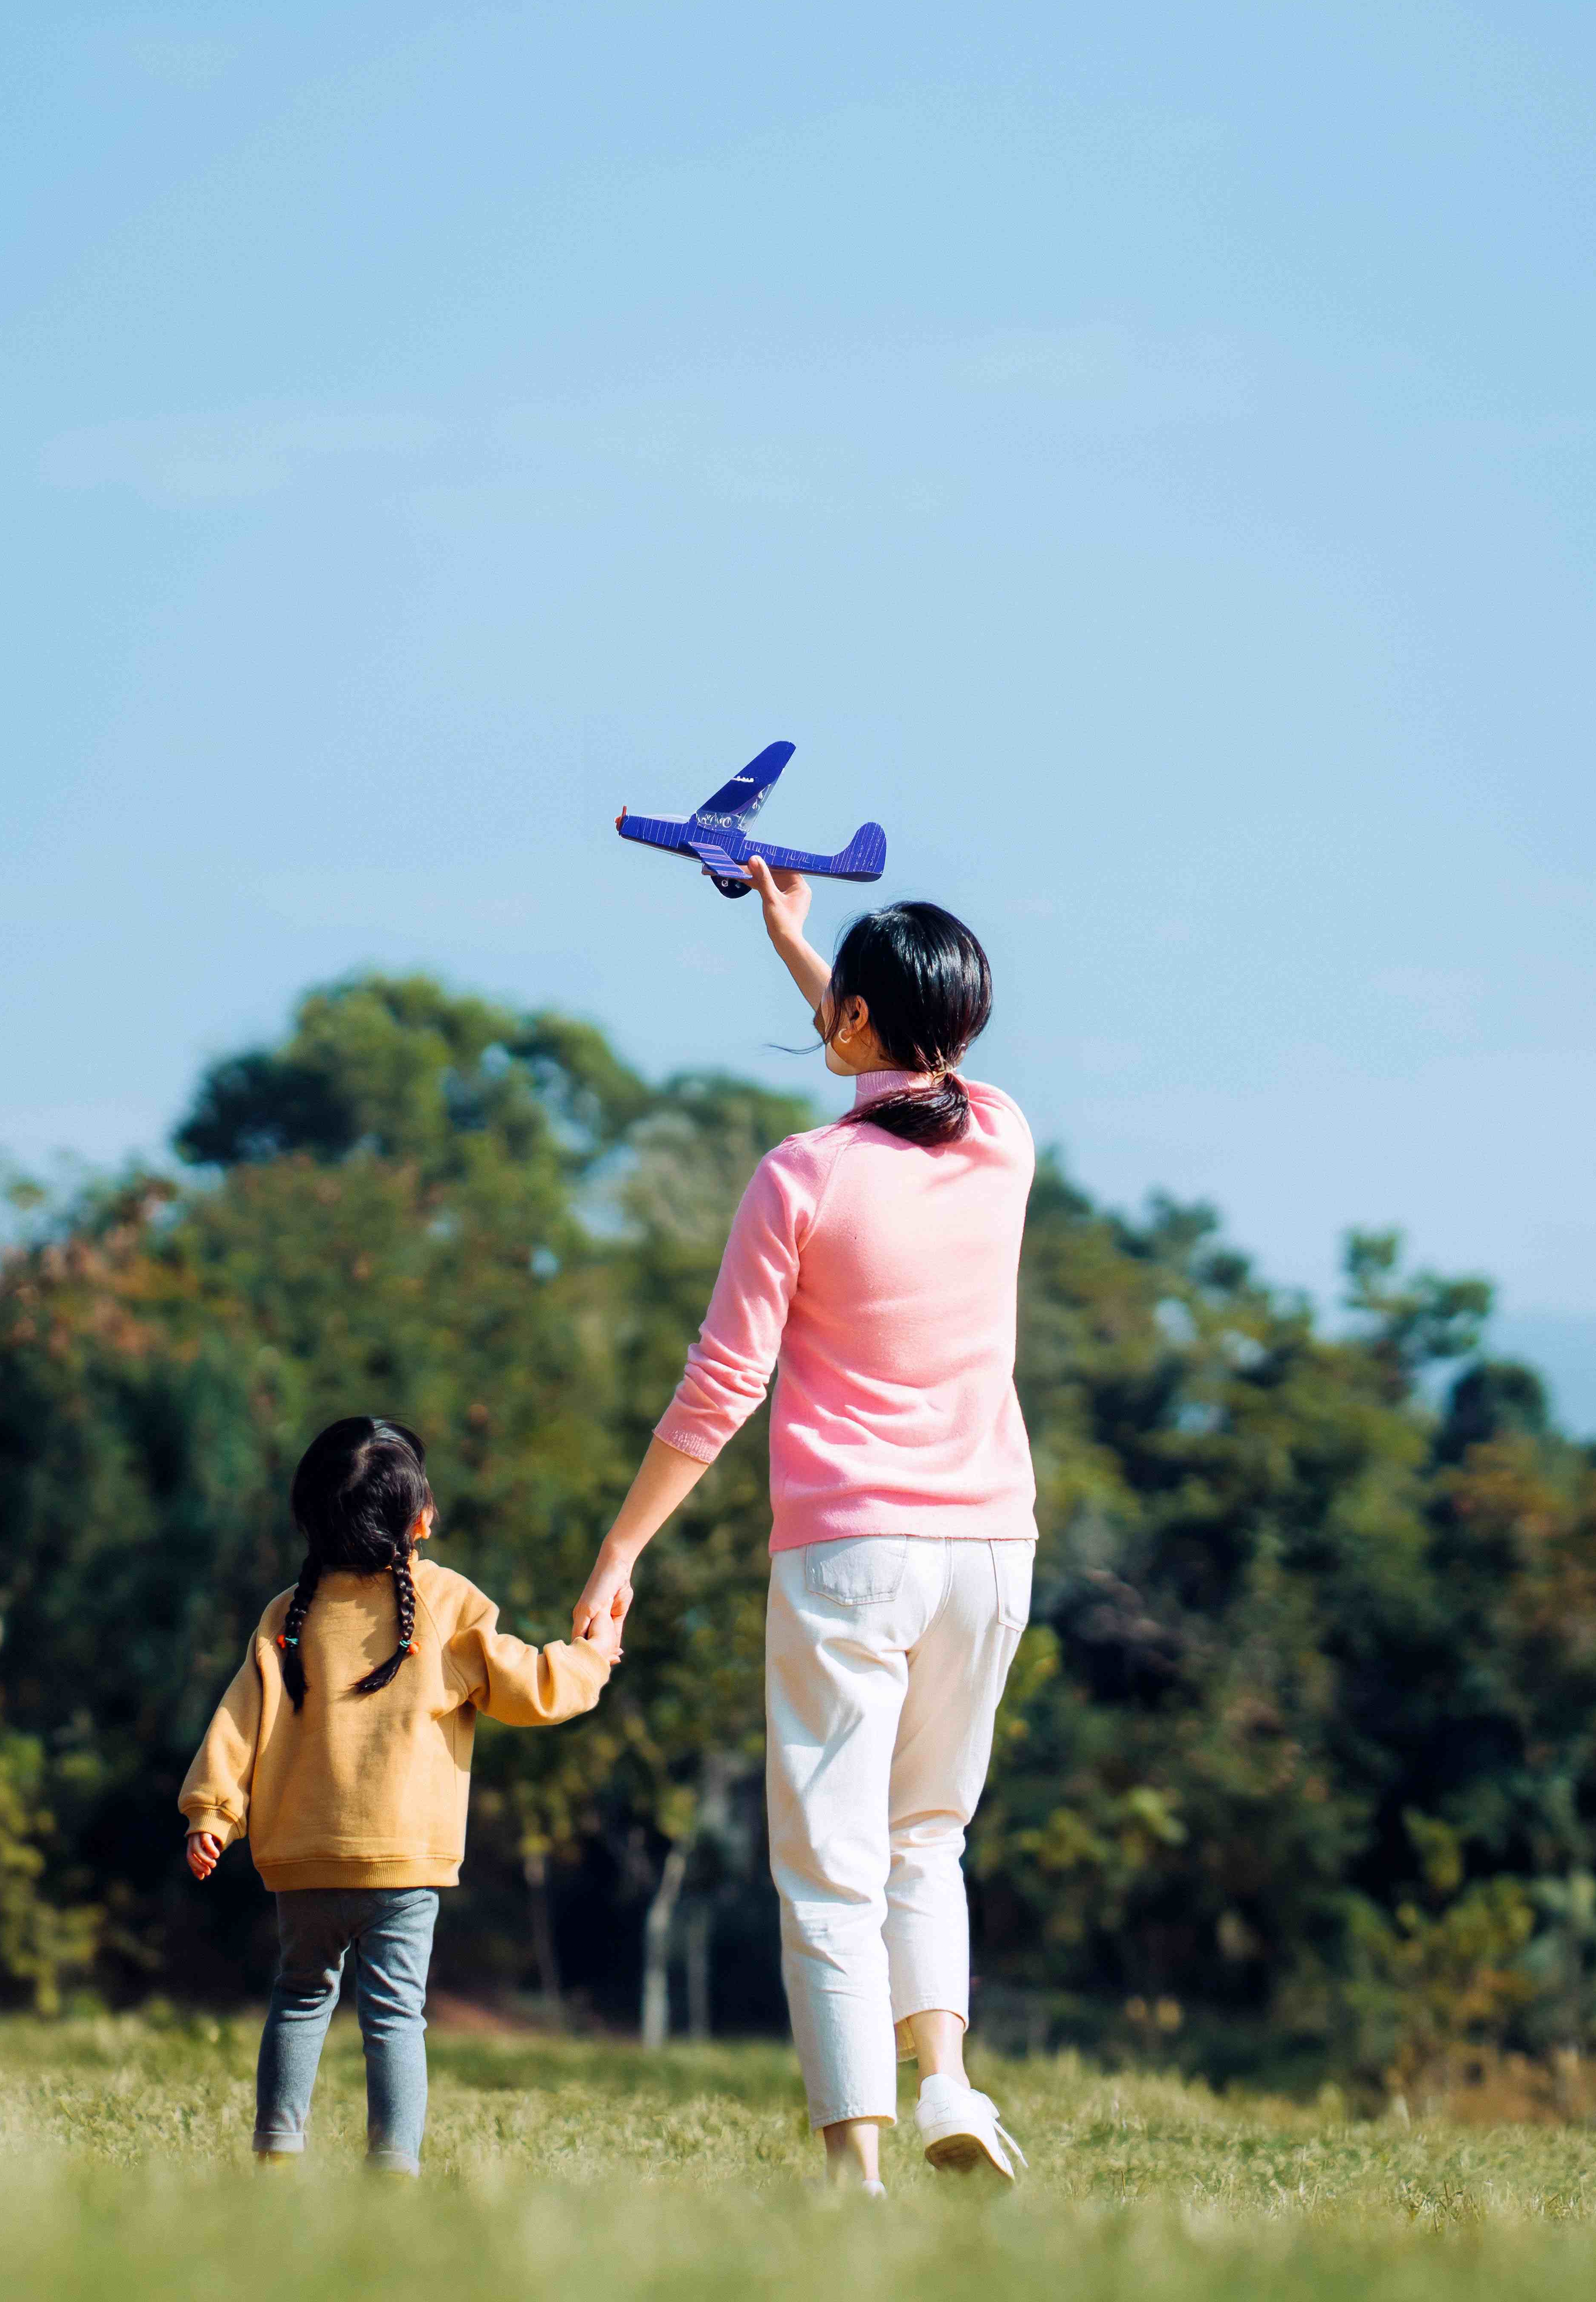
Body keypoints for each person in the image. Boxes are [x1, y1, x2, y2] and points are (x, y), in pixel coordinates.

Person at [573, 856, 1036, 2195]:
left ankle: (857, 2174)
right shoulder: (1002, 1137)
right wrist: (798, 941)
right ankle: (945, 2077)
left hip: (850, 1553)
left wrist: (623, 1549)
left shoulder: (801, 1177)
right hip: (991, 1548)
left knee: (828, 1865)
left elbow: (722, 1386)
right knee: (926, 1837)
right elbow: (900, 1067)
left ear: (856, 1023)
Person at [182, 1415, 612, 2176]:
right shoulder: (446, 1603)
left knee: (299, 1998)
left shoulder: (288, 1613)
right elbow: (530, 1688)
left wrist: (213, 1812)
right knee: (394, 2019)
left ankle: (278, 2151)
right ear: (419, 1519)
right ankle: (393, 2166)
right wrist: (593, 1659)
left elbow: (238, 1719)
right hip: (405, 1867)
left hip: (304, 1860)